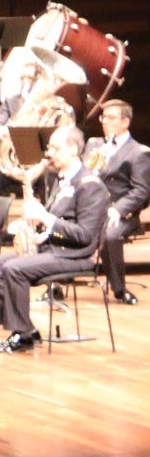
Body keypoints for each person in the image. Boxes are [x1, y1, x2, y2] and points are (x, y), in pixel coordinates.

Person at [0, 126, 108, 353]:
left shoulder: (90, 185)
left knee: (14, 269)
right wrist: (36, 230)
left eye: (55, 148)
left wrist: (46, 218)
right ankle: (26, 328)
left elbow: (85, 235)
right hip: (51, 248)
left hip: (75, 255)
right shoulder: (59, 179)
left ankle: (22, 335)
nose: (49, 153)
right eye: (49, 147)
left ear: (73, 149)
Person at [84, 100, 149, 304]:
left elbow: (141, 191)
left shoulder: (138, 152)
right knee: (58, 225)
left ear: (125, 122)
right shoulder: (94, 144)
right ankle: (57, 284)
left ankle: (119, 289)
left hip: (121, 212)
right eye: (103, 117)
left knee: (109, 234)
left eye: (111, 118)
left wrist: (118, 210)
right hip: (92, 209)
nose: (105, 122)